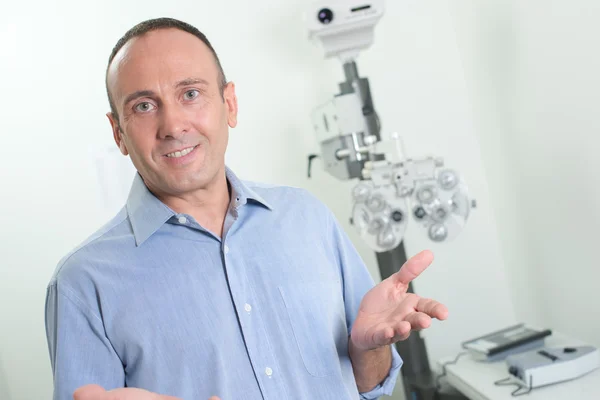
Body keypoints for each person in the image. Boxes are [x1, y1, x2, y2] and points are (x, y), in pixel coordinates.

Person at [44, 17, 448, 400]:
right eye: (144, 106)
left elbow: (371, 384)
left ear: (230, 103)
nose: (172, 125)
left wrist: (367, 350)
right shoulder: (82, 284)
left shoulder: (307, 219)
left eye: (190, 94)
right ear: (119, 133)